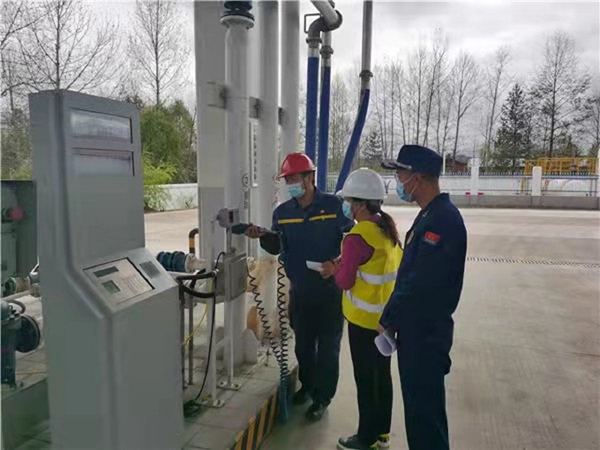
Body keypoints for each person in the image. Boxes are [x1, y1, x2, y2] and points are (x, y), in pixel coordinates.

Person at [246, 152, 354, 421]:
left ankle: (322, 397)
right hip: (301, 292)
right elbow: (277, 245)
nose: (291, 184)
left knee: (328, 350)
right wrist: (262, 236)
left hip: (330, 292)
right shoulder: (283, 213)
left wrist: (337, 263)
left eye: (295, 178)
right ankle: (308, 386)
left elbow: (354, 240)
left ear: (310, 177)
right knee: (303, 347)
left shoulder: (333, 206)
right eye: (288, 179)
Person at [379, 144, 467, 450]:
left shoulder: (442, 220)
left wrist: (389, 318)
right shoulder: (431, 214)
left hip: (425, 335)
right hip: (418, 331)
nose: (398, 182)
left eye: (400, 175)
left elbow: (419, 282)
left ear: (416, 177)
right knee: (420, 415)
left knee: (425, 418)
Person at [319, 168, 403, 450]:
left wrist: (336, 268)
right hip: (386, 322)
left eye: (349, 200)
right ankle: (382, 436)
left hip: (364, 323)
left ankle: (365, 437)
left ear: (361, 204)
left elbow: (344, 282)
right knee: (382, 378)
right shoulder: (387, 231)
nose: (346, 205)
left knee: (365, 380)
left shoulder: (356, 237)